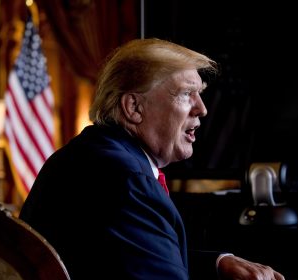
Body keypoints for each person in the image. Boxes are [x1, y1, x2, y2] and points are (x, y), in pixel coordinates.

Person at [19, 38, 284, 280]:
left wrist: (218, 263)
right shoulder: (127, 180)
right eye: (185, 93)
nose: (202, 109)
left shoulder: (91, 153)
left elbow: (125, 258)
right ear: (134, 107)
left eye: (200, 93)